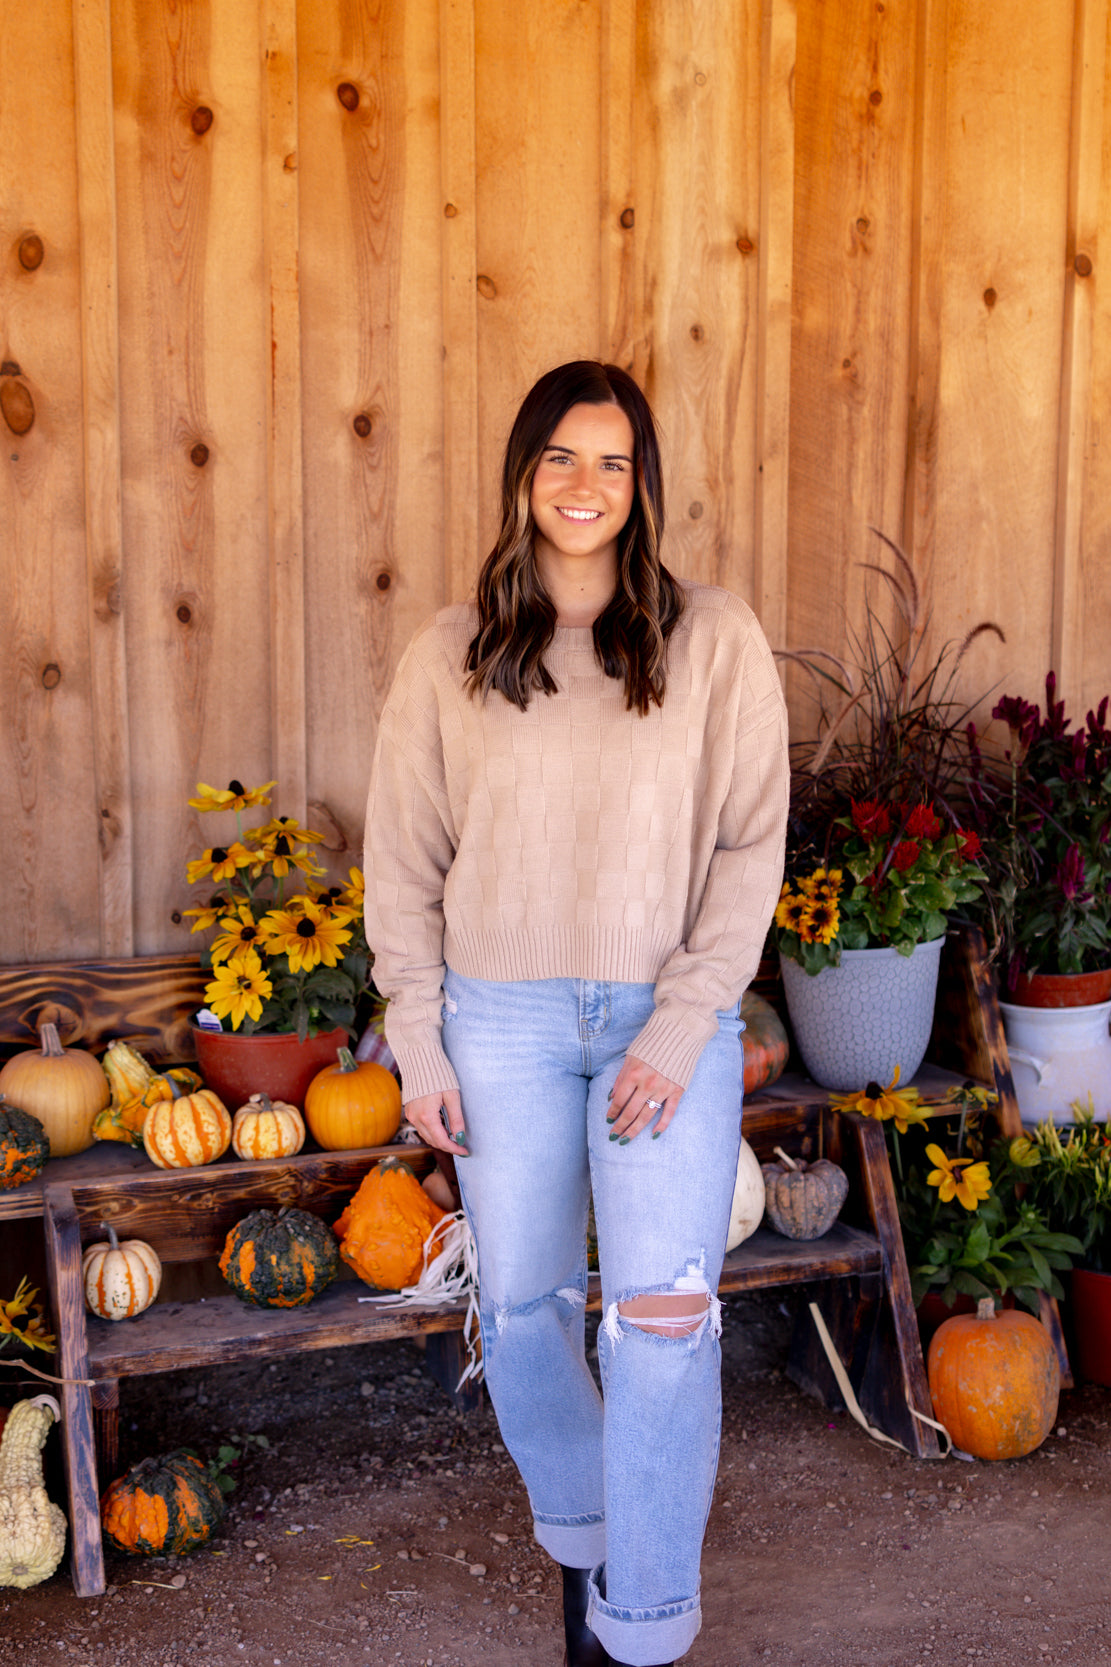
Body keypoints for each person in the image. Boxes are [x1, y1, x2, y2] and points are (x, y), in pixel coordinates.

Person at [363, 360, 789, 1666]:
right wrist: (420, 1034)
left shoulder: (712, 639)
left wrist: (685, 1019)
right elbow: (403, 858)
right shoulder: (451, 654)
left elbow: (747, 847)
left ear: (643, 482)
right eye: (560, 457)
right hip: (500, 1022)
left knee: (664, 1317)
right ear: (522, 476)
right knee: (527, 1313)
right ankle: (592, 1540)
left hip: (668, 1023)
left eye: (612, 461)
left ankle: (644, 1628)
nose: (585, 486)